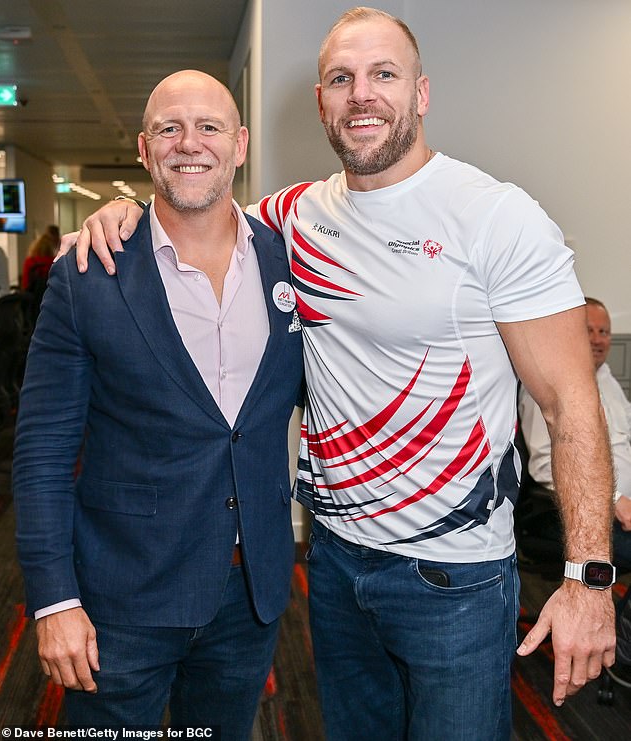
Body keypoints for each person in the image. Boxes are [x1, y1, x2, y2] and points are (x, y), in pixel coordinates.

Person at [60, 8, 616, 740]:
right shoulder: (294, 215)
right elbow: (195, 204)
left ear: (421, 94)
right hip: (334, 563)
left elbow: (572, 403)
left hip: (454, 577)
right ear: (322, 100)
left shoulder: (496, 218)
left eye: (383, 74)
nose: (361, 94)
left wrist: (588, 578)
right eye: (341, 79)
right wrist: (121, 214)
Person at [13, 70, 303, 736]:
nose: (189, 143)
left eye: (208, 127)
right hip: (120, 600)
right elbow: (43, 454)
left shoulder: (288, 263)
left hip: (247, 595)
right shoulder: (87, 272)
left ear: (240, 144)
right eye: (169, 128)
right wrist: (54, 598)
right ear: (144, 150)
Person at [519, 297, 631, 569]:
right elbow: (545, 465)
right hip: (585, 515)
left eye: (603, 332)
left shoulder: (605, 377)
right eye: (587, 330)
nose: (596, 339)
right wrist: (613, 500)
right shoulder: (547, 383)